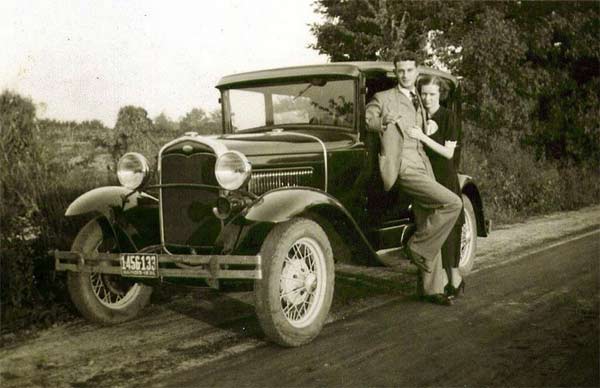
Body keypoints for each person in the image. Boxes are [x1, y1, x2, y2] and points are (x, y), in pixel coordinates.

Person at [365, 51, 463, 306]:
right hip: (404, 166)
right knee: (452, 203)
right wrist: (383, 122)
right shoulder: (384, 98)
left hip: (425, 165)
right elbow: (369, 119)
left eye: (409, 70)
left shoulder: (422, 97)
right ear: (396, 72)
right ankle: (417, 247)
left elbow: (434, 119)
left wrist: (431, 125)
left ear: (416, 72)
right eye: (400, 71)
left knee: (429, 219)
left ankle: (432, 289)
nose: (405, 75)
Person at [408, 76, 465, 297]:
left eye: (432, 94)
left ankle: (455, 281)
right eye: (424, 94)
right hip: (425, 178)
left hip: (444, 177)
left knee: (449, 233)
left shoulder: (448, 117)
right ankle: (436, 285)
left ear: (440, 95)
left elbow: (448, 153)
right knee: (430, 228)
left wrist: (422, 136)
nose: (427, 98)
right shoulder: (419, 116)